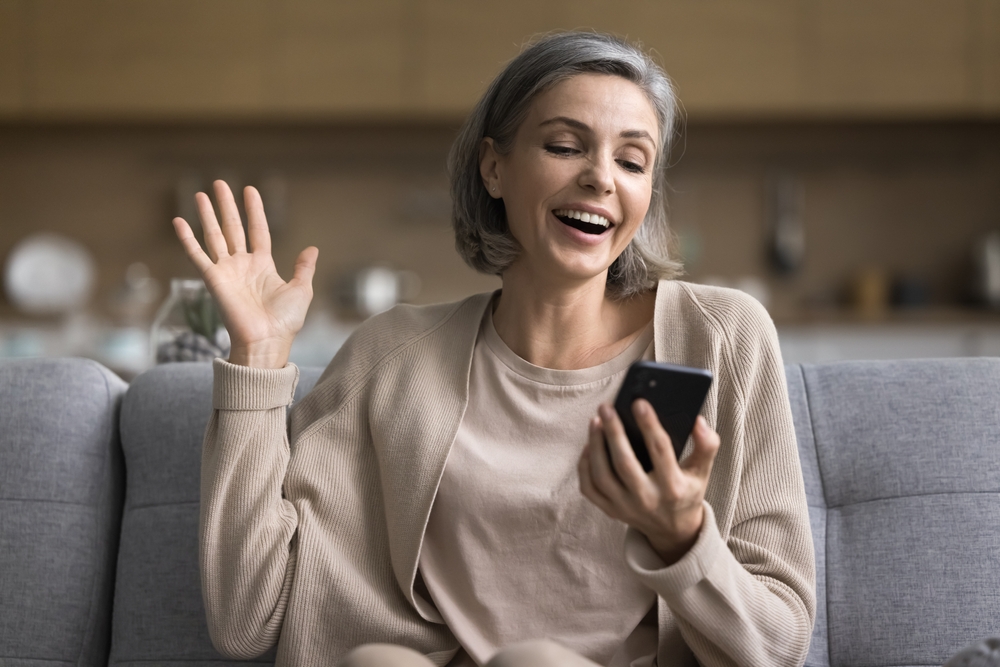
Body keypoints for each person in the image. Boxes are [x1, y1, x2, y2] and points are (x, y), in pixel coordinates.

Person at [172, 31, 815, 667]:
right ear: (494, 167)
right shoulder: (391, 358)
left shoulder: (720, 336)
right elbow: (243, 623)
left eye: (632, 161)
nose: (600, 179)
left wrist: (681, 537)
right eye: (565, 146)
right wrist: (258, 357)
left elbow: (778, 643)